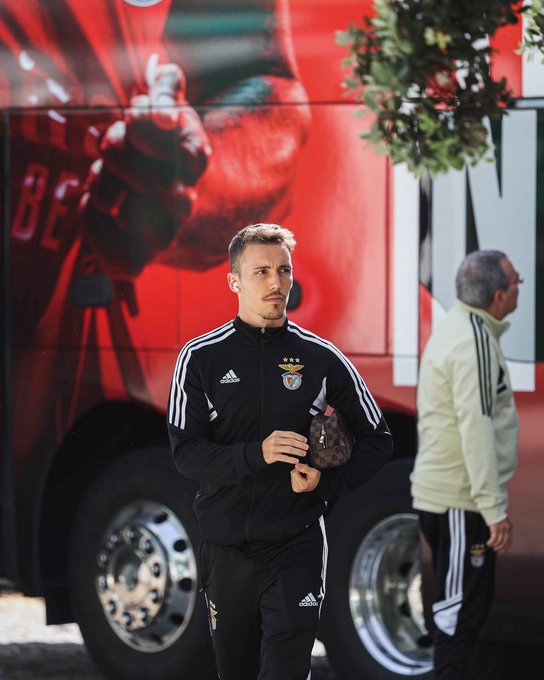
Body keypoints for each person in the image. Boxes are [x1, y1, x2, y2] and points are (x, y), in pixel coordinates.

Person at [167, 223, 393, 679]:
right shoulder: (200, 357)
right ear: (234, 281)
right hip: (226, 548)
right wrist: (258, 454)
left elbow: (379, 438)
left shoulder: (322, 357)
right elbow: (186, 454)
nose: (276, 282)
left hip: (296, 545)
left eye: (284, 270)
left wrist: (326, 482)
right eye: (262, 271)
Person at [410, 249, 521, 679]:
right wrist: (493, 509)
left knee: (465, 610)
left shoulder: (463, 328)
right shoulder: (473, 341)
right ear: (498, 295)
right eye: (516, 281)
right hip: (459, 502)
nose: (520, 288)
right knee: (457, 616)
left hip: (455, 498)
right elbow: (475, 427)